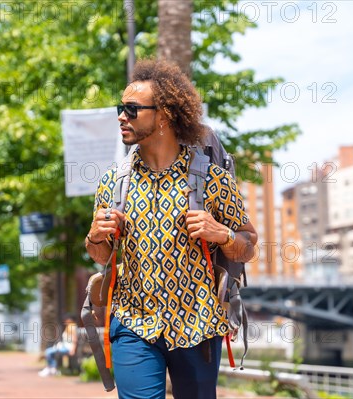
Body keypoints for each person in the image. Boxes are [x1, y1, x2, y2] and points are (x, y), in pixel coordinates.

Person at [85, 59, 258, 399]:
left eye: (132, 109)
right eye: (121, 108)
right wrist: (94, 236)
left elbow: (249, 244)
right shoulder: (113, 183)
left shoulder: (210, 180)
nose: (121, 116)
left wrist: (221, 234)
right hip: (133, 324)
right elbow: (101, 256)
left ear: (163, 113)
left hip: (198, 326)